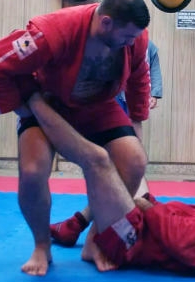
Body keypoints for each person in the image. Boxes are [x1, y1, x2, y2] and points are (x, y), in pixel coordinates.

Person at [0, 0, 152, 276]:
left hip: (99, 104)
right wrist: (20, 107)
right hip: (50, 102)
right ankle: (41, 245)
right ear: (106, 23)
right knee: (32, 172)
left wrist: (138, 120)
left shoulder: (136, 36)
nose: (132, 42)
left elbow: (139, 77)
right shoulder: (51, 31)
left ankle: (95, 239)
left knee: (135, 162)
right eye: (127, 37)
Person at [28, 91, 195, 274]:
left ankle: (34, 103)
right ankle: (80, 227)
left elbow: (182, 240)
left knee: (98, 160)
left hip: (131, 241)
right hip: (144, 222)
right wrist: (149, 203)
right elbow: (180, 216)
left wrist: (145, 208)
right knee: (134, 164)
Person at [50, 38, 163, 247]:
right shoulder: (112, 44)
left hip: (127, 101)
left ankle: (77, 224)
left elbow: (151, 69)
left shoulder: (145, 46)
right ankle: (78, 225)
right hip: (114, 98)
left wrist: (155, 92)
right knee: (123, 172)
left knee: (127, 175)